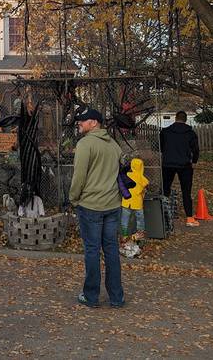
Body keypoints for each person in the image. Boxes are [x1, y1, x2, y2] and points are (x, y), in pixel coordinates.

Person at [68, 108, 124, 308]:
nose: (79, 124)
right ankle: (116, 297)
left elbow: (79, 176)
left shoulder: (85, 144)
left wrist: (73, 198)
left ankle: (91, 296)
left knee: (92, 250)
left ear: (94, 122)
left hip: (91, 205)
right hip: (112, 205)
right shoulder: (114, 145)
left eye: (82, 121)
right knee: (111, 250)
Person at [160, 110, 201, 227]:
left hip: (168, 163)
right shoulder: (190, 133)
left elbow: (161, 146)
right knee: (186, 191)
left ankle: (163, 215)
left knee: (165, 189)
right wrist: (194, 161)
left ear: (175, 118)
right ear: (185, 120)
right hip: (184, 164)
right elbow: (195, 149)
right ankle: (189, 217)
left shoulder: (165, 131)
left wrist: (167, 154)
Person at [120, 158, 149, 242]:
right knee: (140, 219)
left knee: (125, 219)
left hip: (126, 201)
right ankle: (140, 234)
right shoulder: (142, 178)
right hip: (137, 203)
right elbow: (146, 184)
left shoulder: (127, 175)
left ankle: (124, 235)